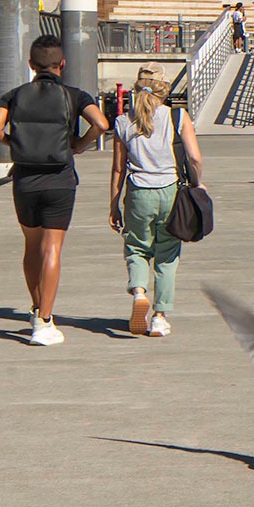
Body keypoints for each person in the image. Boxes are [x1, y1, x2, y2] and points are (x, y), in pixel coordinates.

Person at [0, 36, 107, 346]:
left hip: (25, 181)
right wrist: (79, 143)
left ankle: (39, 308)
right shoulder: (74, 95)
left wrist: (13, 144)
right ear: (62, 64)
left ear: (31, 65)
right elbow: (102, 124)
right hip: (60, 180)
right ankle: (44, 321)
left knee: (31, 246)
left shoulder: (13, 95)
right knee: (52, 249)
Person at [110, 66, 201, 337]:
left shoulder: (123, 121)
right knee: (167, 253)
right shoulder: (177, 116)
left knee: (136, 248)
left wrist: (114, 204)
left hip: (138, 191)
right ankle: (160, 316)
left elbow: (118, 168)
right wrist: (198, 184)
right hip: (170, 189)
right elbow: (194, 157)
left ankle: (139, 292)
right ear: (164, 89)